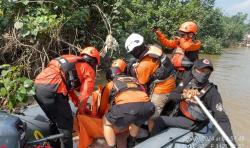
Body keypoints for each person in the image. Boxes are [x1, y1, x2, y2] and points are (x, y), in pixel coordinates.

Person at [152, 58, 236, 145]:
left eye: (207, 72)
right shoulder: (188, 80)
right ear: (194, 69)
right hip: (181, 112)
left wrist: (231, 141)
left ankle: (153, 144)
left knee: (159, 120)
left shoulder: (212, 92)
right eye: (201, 70)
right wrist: (184, 96)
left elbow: (222, 118)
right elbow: (172, 95)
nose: (204, 74)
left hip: (193, 121)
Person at [34, 46, 100, 148]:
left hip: (37, 86)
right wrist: (82, 111)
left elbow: (69, 89)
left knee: (54, 120)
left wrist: (77, 104)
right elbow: (85, 94)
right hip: (54, 88)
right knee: (67, 123)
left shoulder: (71, 60)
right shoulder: (89, 70)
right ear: (94, 62)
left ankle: (54, 145)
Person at [125, 33, 176, 132]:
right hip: (171, 80)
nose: (132, 54)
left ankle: (152, 135)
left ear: (137, 50)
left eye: (132, 52)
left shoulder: (144, 66)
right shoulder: (153, 48)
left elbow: (141, 86)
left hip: (162, 89)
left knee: (151, 115)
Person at [102, 59, 155, 148]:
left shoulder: (111, 84)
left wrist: (105, 115)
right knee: (138, 118)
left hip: (129, 107)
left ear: (110, 78)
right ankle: (131, 142)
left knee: (106, 122)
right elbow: (142, 94)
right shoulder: (135, 80)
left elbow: (103, 106)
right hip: (148, 107)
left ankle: (112, 146)